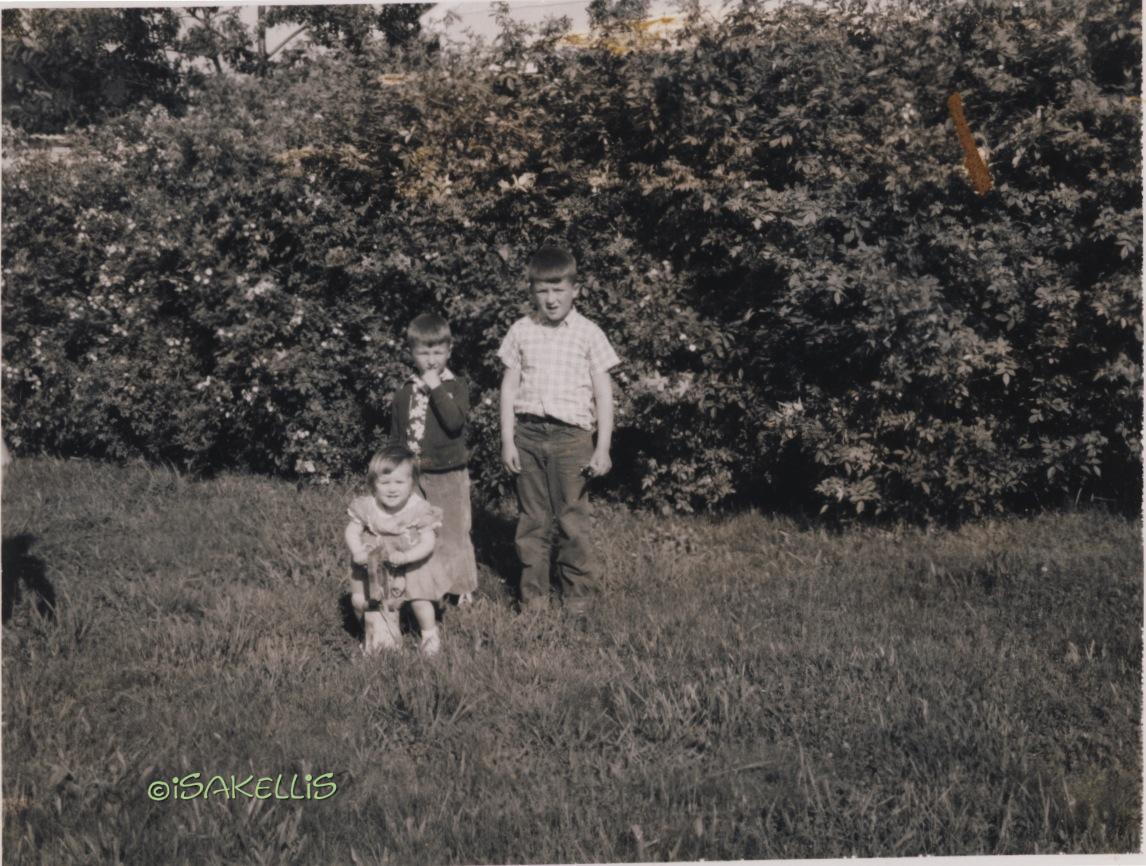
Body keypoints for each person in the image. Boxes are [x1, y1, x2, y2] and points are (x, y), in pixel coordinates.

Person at [498, 243, 621, 616]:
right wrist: (507, 440)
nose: (551, 299)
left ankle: (577, 596)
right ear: (532, 291)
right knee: (532, 520)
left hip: (573, 440)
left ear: (575, 290)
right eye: (543, 291)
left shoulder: (589, 333)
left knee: (572, 519)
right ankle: (533, 597)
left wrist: (603, 447)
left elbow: (603, 394)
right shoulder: (521, 331)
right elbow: (508, 387)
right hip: (529, 436)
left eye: (558, 290)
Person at [389, 313, 479, 604]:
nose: (431, 360)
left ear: (449, 350)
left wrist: (436, 387)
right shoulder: (405, 391)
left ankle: (462, 589)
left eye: (438, 352)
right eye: (424, 353)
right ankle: (428, 587)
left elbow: (454, 423)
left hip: (447, 473)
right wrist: (394, 470)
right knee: (416, 532)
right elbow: (396, 435)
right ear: (412, 353)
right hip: (414, 474)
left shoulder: (455, 387)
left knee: (452, 532)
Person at [344, 445, 452, 656]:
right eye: (384, 483)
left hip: (412, 561)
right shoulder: (368, 507)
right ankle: (374, 633)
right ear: (374, 485)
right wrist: (358, 551)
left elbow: (428, 541)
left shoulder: (418, 509)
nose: (392, 489)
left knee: (420, 599)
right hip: (376, 561)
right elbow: (352, 530)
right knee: (364, 600)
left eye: (399, 482)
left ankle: (429, 634)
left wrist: (407, 556)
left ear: (412, 483)